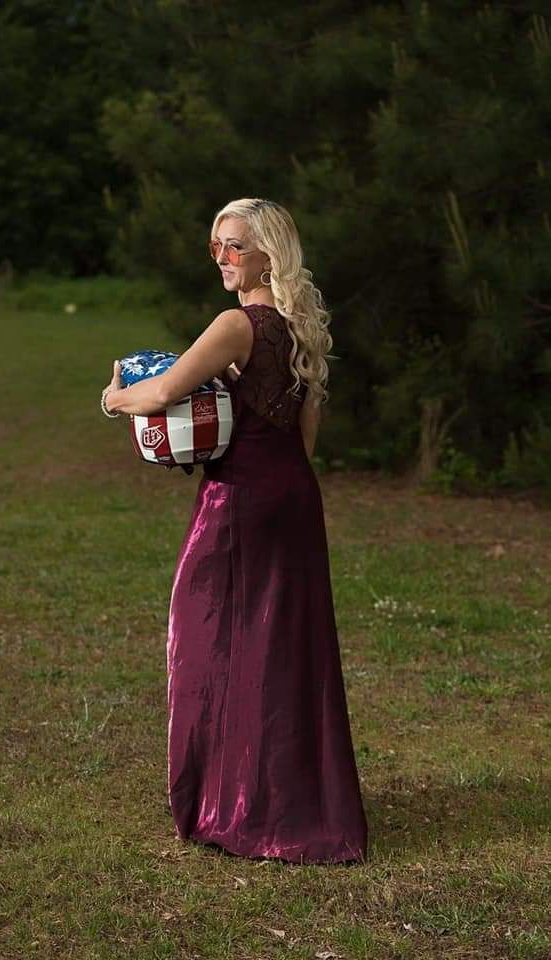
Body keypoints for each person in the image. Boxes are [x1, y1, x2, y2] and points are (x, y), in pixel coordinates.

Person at [103, 197, 368, 865]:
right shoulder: (301, 329)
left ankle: (232, 806)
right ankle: (290, 804)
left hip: (239, 500)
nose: (221, 258)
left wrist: (113, 397)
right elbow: (306, 438)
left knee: (205, 637)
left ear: (268, 256)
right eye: (215, 245)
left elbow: (161, 392)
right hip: (294, 497)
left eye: (235, 246)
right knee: (285, 648)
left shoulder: (235, 325)